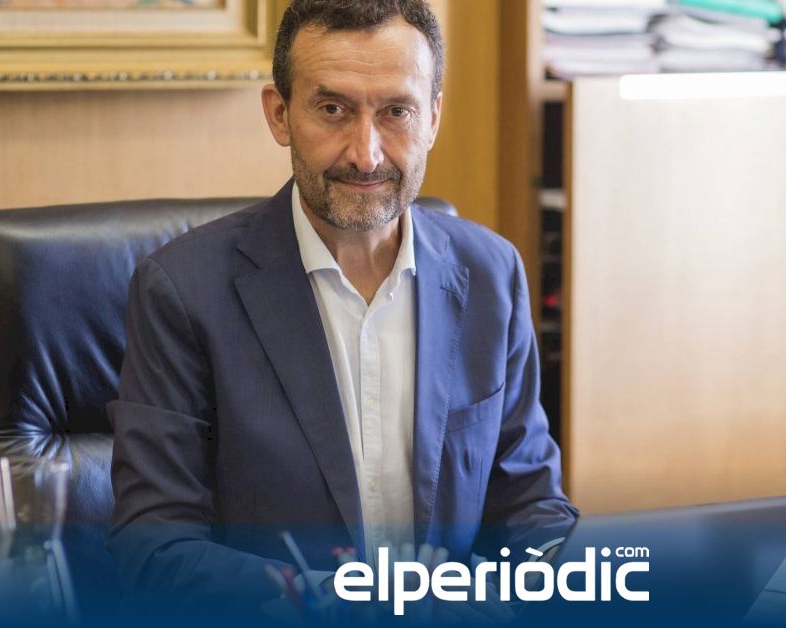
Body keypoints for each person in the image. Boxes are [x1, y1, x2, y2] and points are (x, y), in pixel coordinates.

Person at [106, 0, 577, 616]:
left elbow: (532, 508)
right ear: (279, 114)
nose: (366, 154)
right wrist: (335, 601)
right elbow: (153, 549)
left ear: (433, 117)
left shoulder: (491, 274)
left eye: (396, 112)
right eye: (333, 109)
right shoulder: (182, 290)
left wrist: (524, 582)